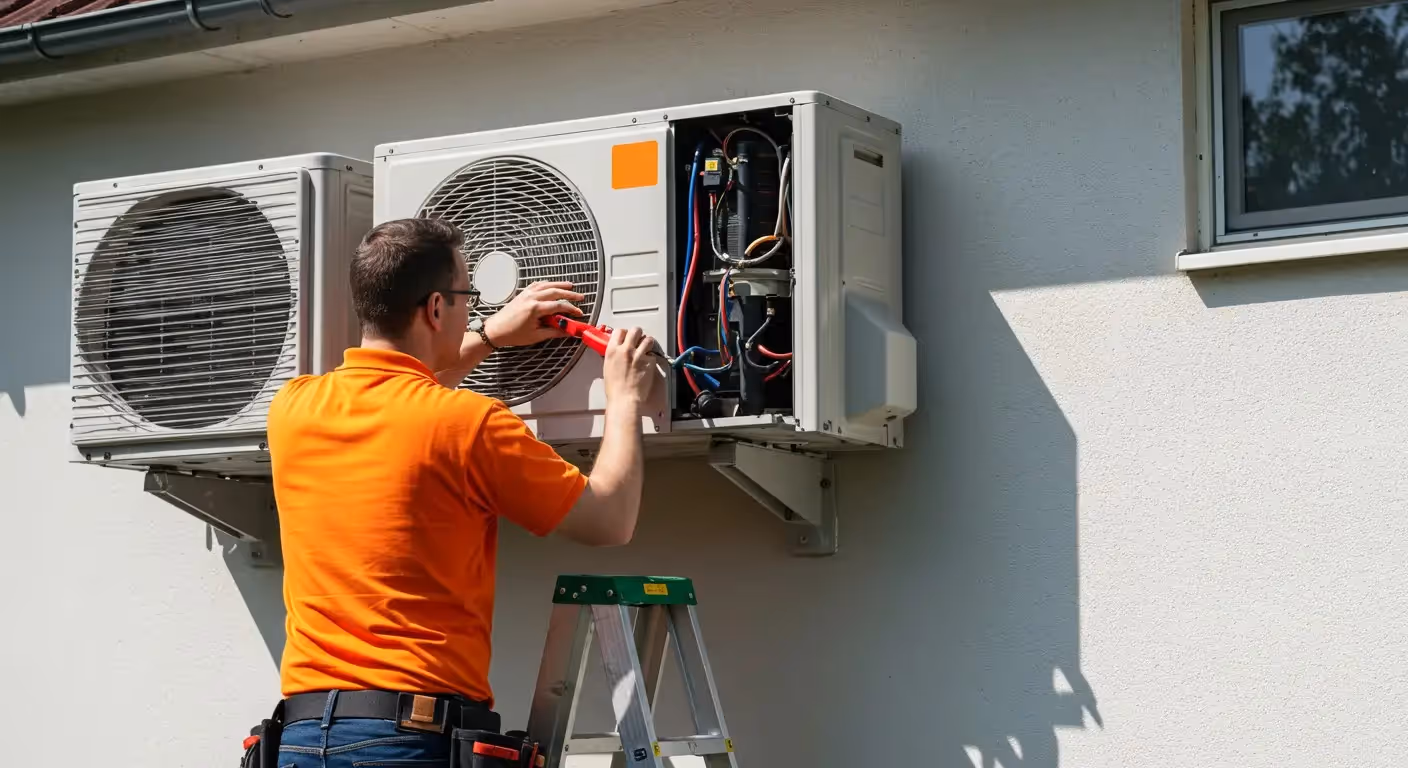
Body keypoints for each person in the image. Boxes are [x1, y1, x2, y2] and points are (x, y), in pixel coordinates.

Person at [260, 217, 657, 767]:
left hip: (299, 739)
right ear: (436, 309)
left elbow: (401, 394)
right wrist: (625, 397)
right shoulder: (470, 425)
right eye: (468, 295)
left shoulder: (293, 409)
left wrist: (492, 334)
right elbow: (609, 519)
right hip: (406, 741)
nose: (472, 309)